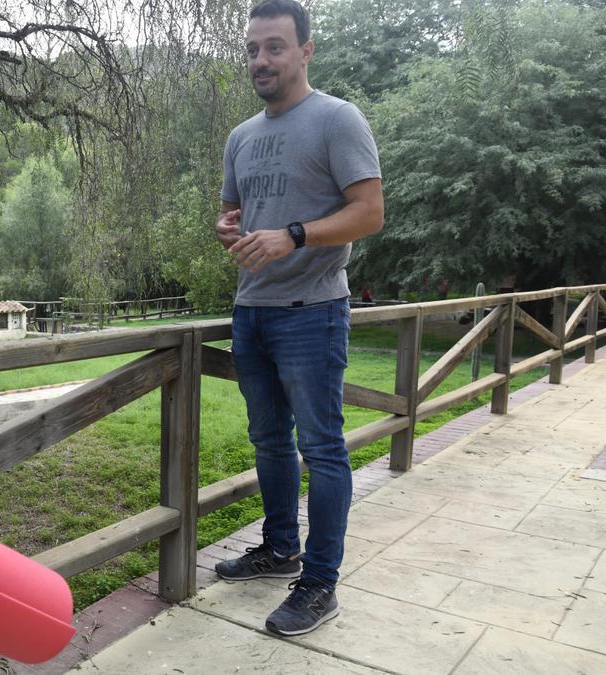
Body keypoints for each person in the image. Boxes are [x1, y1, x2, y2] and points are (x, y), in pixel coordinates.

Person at [211, 0, 384, 637]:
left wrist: (294, 234)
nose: (261, 59)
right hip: (250, 311)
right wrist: (226, 230)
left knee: (322, 449)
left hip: (312, 311)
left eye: (275, 46)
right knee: (268, 442)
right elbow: (232, 215)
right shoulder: (240, 136)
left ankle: (319, 584)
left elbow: (370, 213)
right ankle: (279, 548)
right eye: (254, 48)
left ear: (306, 51)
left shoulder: (337, 119)